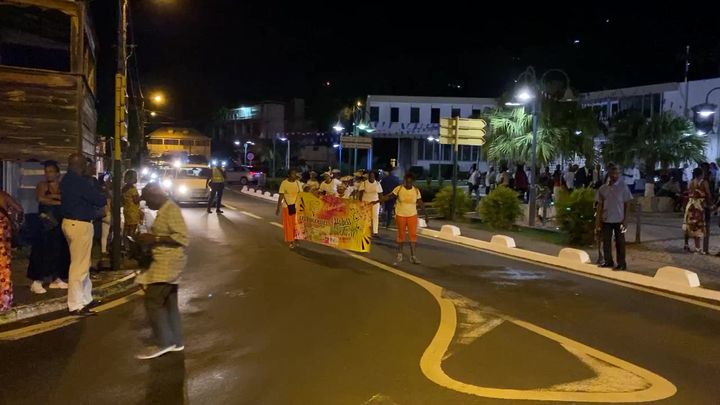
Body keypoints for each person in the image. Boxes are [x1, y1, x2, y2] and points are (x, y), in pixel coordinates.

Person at [134, 183, 188, 360]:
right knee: (169, 302)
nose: (147, 204)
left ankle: (165, 342)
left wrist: (154, 238)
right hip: (165, 261)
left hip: (168, 263)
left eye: (148, 200)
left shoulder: (170, 209)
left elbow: (182, 237)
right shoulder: (164, 208)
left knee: (153, 301)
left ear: (156, 195)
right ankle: (177, 341)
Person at [60, 154, 106, 315]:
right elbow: (100, 200)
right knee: (79, 266)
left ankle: (86, 298)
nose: (90, 168)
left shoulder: (66, 180)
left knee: (82, 264)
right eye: (87, 165)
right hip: (80, 225)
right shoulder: (80, 182)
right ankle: (75, 304)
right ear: (81, 165)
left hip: (70, 222)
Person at [27, 161, 69, 294]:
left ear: (57, 173)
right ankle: (37, 280)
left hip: (59, 221)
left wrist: (53, 197)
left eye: (50, 171)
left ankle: (55, 278)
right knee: (42, 250)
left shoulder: (62, 186)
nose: (48, 174)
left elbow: (66, 199)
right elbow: (41, 199)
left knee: (58, 249)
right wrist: (58, 201)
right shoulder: (42, 185)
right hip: (45, 222)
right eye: (46, 171)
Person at [380, 174, 428, 265]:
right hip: (400, 215)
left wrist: (426, 215)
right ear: (404, 181)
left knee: (413, 236)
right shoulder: (399, 189)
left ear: (413, 182)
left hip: (412, 215)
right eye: (407, 182)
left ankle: (413, 256)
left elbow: (420, 202)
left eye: (410, 182)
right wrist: (379, 200)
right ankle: (400, 254)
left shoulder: (416, 191)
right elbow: (390, 196)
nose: (408, 184)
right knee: (401, 235)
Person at [596, 165, 633, 270]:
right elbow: (600, 205)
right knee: (606, 242)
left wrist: (626, 219)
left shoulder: (623, 187)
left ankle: (621, 263)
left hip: (619, 219)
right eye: (613, 173)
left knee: (620, 242)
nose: (615, 176)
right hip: (607, 219)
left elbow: (627, 204)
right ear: (609, 174)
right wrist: (598, 221)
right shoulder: (603, 188)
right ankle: (608, 261)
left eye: (617, 173)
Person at [0, 189, 23, 311]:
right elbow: (19, 208)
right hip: (3, 240)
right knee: (3, 267)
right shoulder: (3, 195)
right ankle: (4, 301)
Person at [683, 168, 710, 254]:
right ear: (701, 174)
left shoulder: (691, 182)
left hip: (690, 205)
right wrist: (710, 203)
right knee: (698, 226)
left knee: (689, 224)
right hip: (698, 206)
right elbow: (708, 193)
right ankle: (698, 248)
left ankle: (687, 244)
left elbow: (689, 192)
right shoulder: (704, 182)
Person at [276, 169, 302, 249]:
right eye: (293, 174)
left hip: (297, 207)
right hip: (287, 207)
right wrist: (278, 207)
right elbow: (281, 195)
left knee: (296, 224)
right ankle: (291, 241)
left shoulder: (298, 183)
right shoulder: (284, 183)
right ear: (289, 175)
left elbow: (301, 194)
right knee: (289, 225)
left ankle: (296, 238)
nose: (294, 175)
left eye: (295, 173)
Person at [358, 171, 383, 236]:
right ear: (368, 176)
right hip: (365, 201)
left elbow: (380, 194)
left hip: (375, 202)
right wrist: (360, 202)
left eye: (373, 176)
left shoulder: (377, 184)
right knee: (365, 216)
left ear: (374, 177)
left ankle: (375, 232)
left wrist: (381, 203)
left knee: (375, 216)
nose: (371, 177)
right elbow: (360, 194)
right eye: (370, 176)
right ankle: (365, 230)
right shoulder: (364, 183)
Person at [122, 170, 142, 242]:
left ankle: (124, 243)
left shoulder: (124, 188)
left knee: (126, 228)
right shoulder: (132, 189)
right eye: (135, 177)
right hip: (133, 211)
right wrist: (143, 196)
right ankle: (130, 245)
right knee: (132, 230)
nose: (136, 178)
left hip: (127, 210)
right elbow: (136, 200)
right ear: (132, 178)